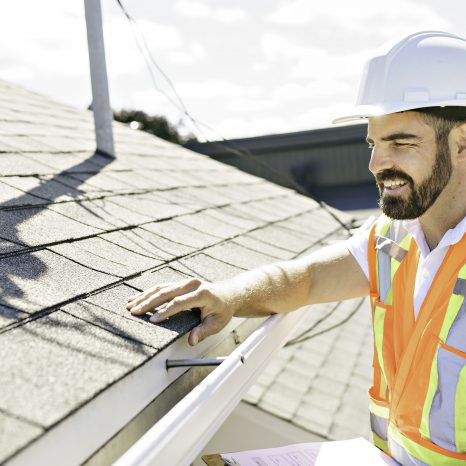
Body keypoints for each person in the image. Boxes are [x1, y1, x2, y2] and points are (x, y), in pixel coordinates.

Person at [127, 31, 466, 466]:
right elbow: (306, 280)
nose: (376, 164)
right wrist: (227, 296)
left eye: (400, 143)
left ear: (461, 143)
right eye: (373, 143)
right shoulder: (394, 237)